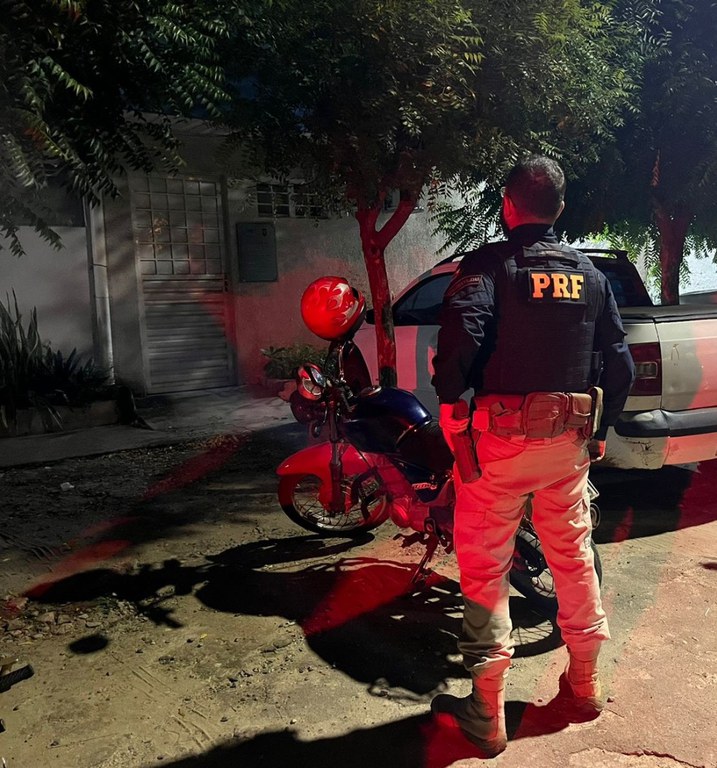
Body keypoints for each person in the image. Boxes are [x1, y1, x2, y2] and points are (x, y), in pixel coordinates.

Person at [430, 154, 635, 756]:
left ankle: (487, 712)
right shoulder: (589, 274)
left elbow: (461, 337)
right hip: (568, 446)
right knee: (572, 558)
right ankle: (585, 686)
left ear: (507, 204)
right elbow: (619, 363)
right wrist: (601, 430)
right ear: (560, 208)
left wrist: (450, 403)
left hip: (499, 446)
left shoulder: (489, 266)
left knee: (485, 568)